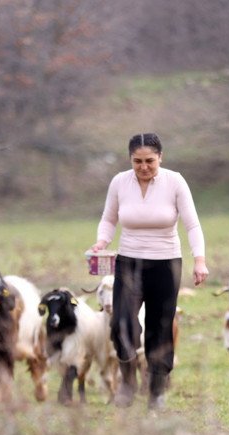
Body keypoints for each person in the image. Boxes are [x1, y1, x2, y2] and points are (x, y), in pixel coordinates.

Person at [88, 133, 209, 410]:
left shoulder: (175, 181)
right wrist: (102, 242)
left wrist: (199, 260)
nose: (143, 167)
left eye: (150, 161)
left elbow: (192, 225)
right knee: (120, 322)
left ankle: (156, 393)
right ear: (130, 159)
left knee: (160, 327)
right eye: (137, 161)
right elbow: (109, 219)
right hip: (129, 263)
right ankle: (128, 383)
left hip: (166, 264)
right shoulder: (120, 182)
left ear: (161, 158)